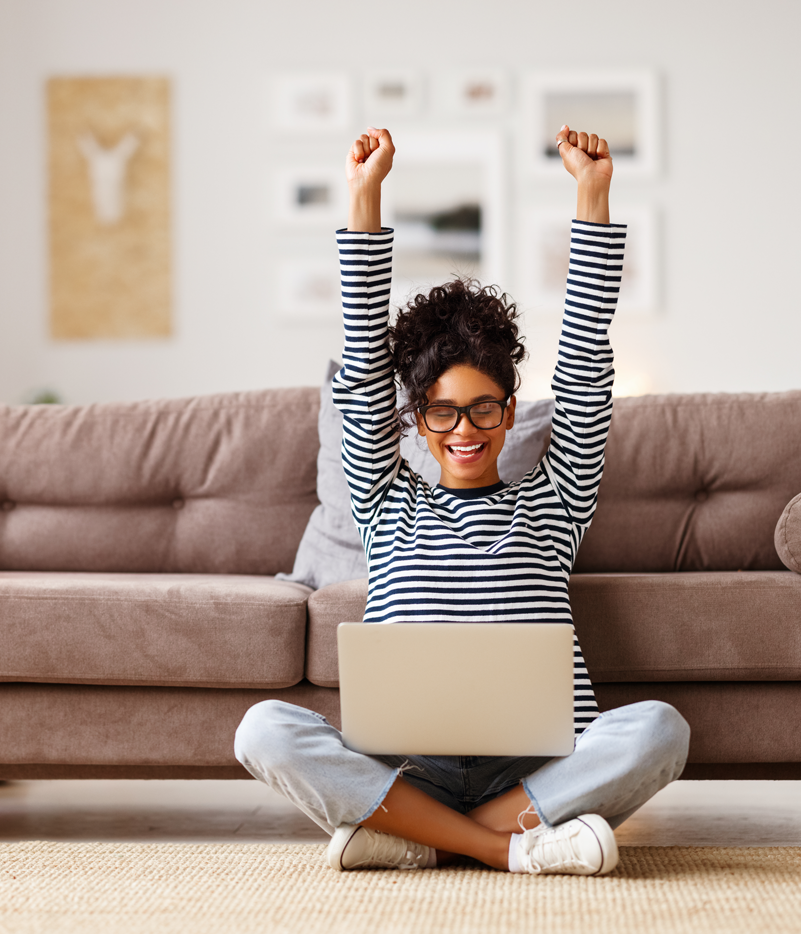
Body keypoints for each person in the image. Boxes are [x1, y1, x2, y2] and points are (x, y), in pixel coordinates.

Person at [234, 125, 689, 876]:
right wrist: (364, 196)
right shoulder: (382, 499)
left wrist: (593, 194)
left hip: (538, 772)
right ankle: (506, 849)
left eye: (484, 408)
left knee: (659, 731)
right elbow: (360, 362)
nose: (466, 429)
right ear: (414, 422)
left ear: (511, 412)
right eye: (442, 412)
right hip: (412, 768)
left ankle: (421, 837)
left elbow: (585, 364)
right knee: (263, 731)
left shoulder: (556, 497)